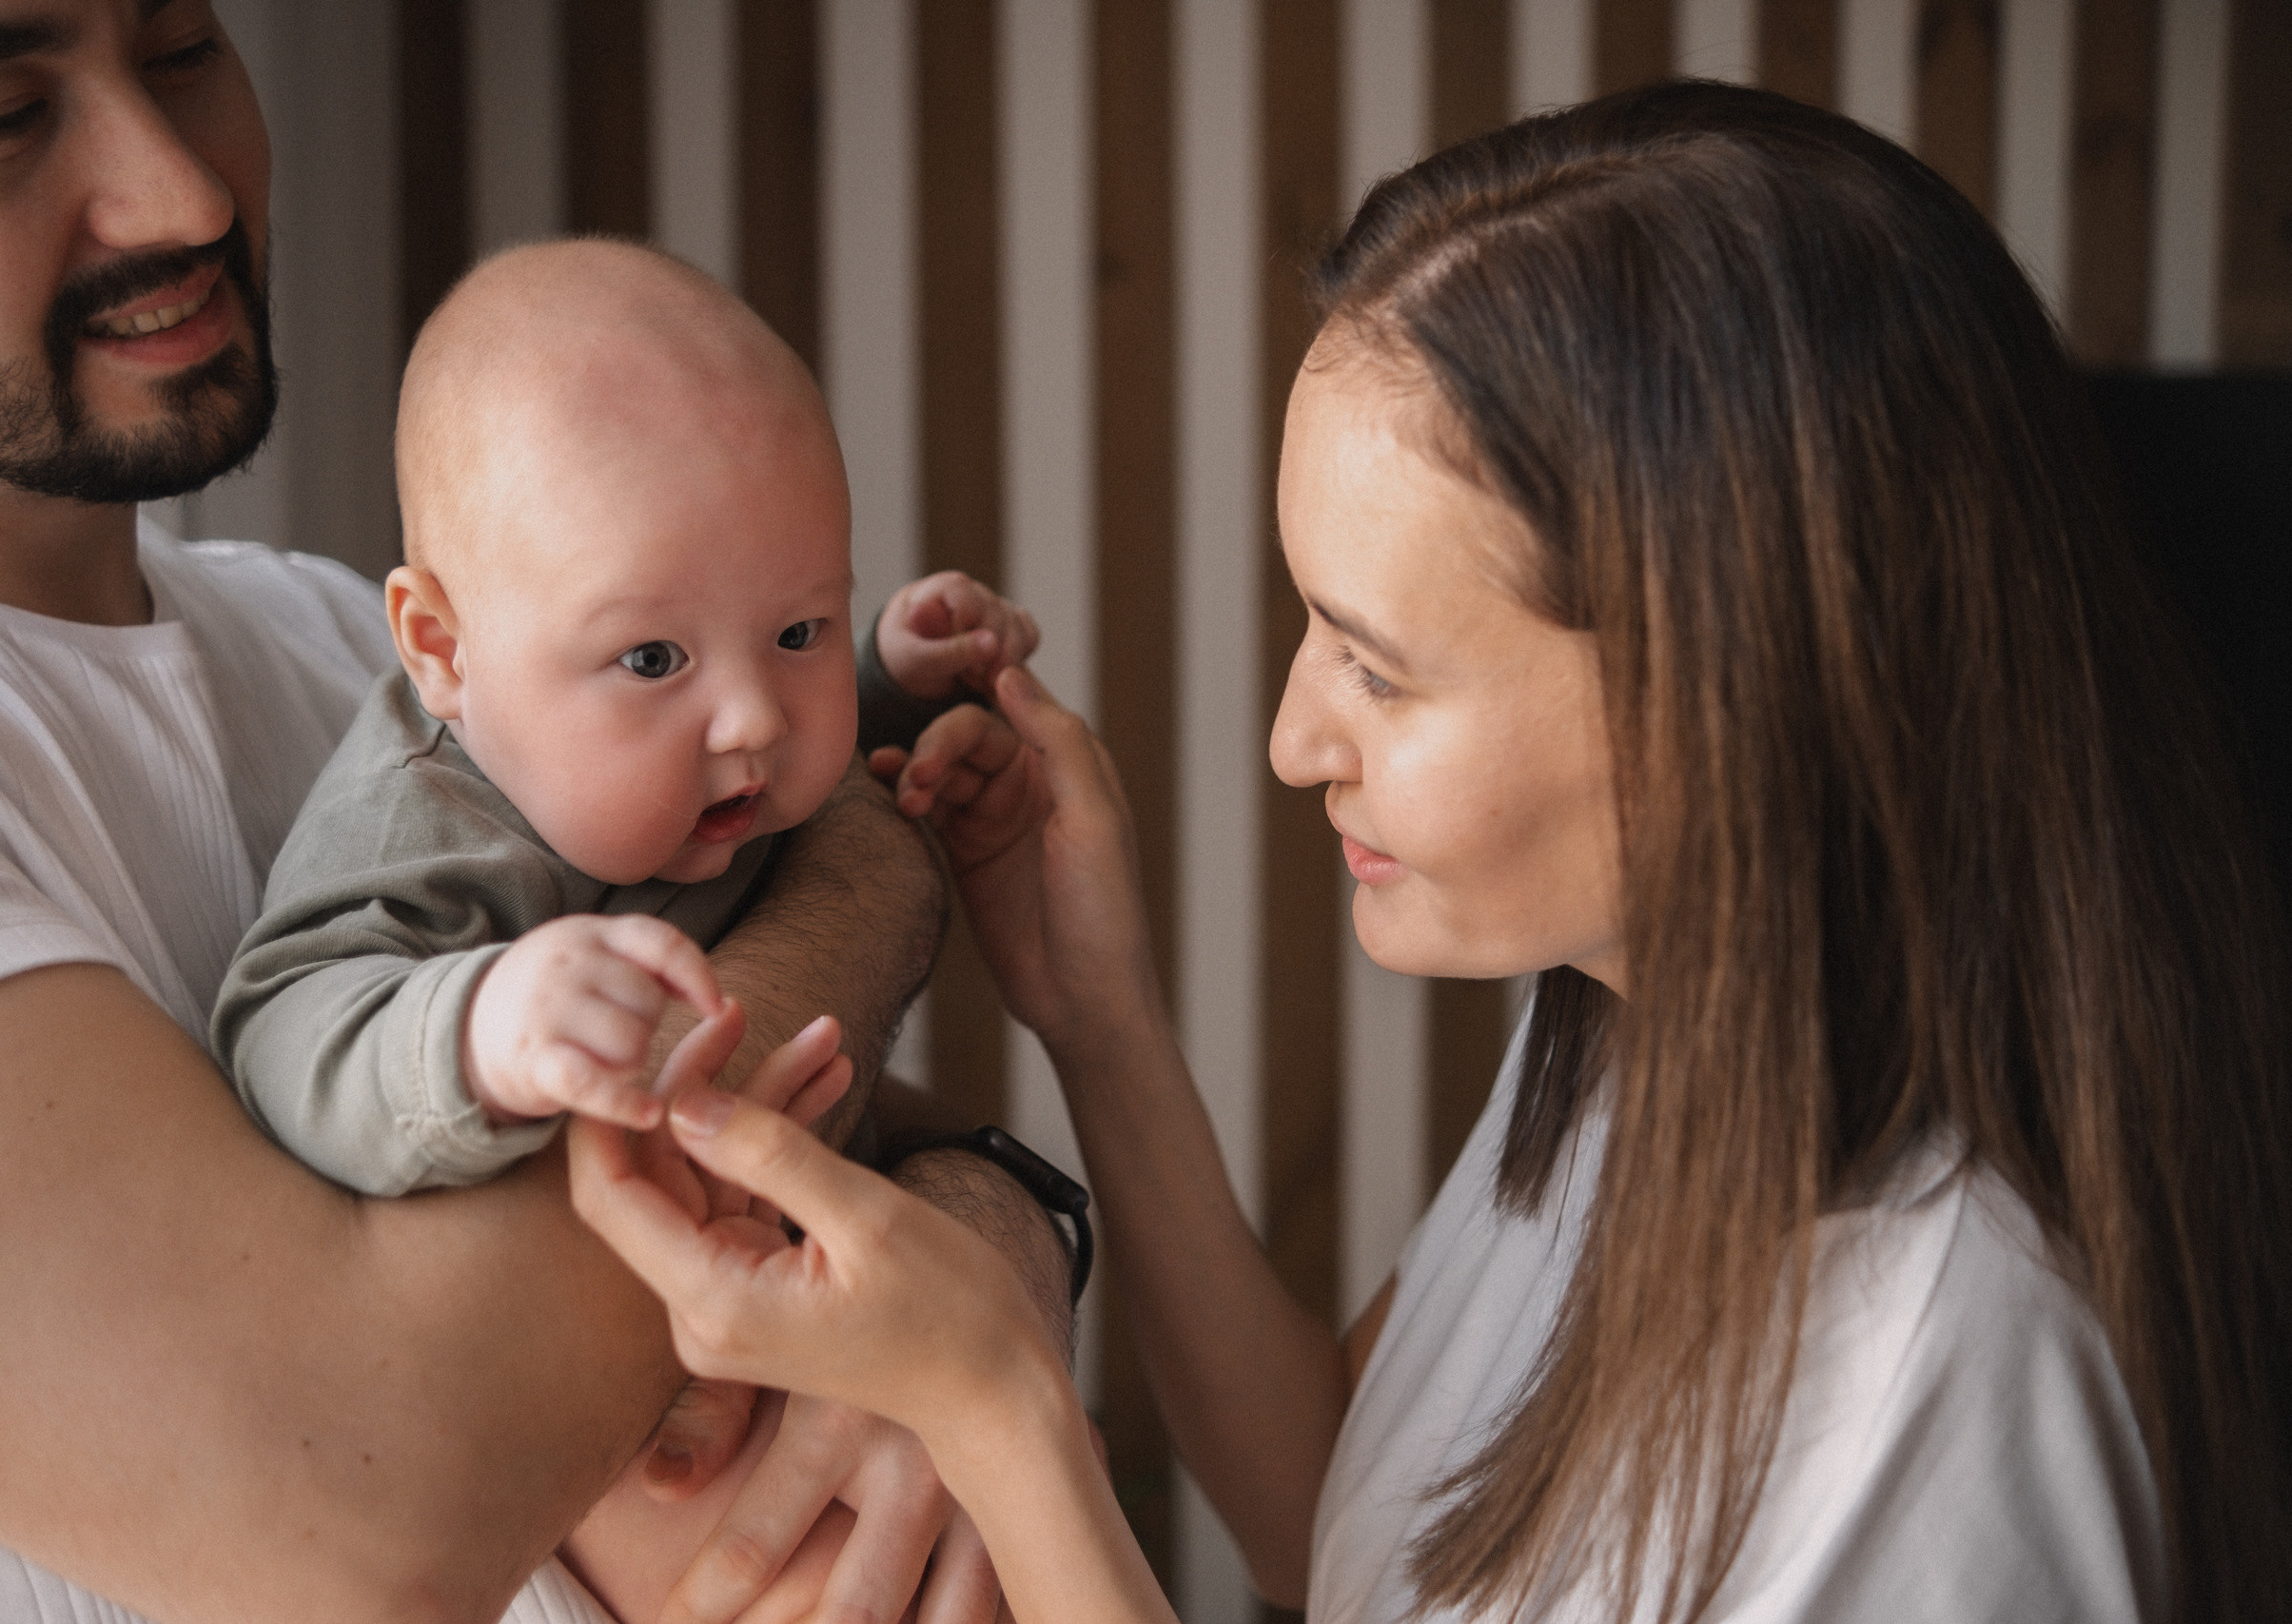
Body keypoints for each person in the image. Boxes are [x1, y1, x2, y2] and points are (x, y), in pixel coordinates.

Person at [569, 81, 2292, 1624]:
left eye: (1377, 666)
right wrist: (1099, 1020)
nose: (1294, 740)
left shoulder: (1945, 1389)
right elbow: (1350, 1529)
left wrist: (1000, 1414)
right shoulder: (1632, 1036)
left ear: (1732, 696)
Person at [0, 6, 1063, 1622]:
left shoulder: (347, 644)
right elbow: (372, 1511)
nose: (184, 198)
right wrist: (883, 865)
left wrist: (992, 1256)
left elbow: (881, 1121)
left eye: (182, 46)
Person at [210, 236, 1041, 1616]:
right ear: (441, 652)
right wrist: (480, 1023)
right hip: (594, 1430)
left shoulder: (694, 748)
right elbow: (285, 1021)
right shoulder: (428, 827)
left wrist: (892, 690)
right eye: (653, 659)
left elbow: (795, 766)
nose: (754, 721)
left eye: (800, 629)